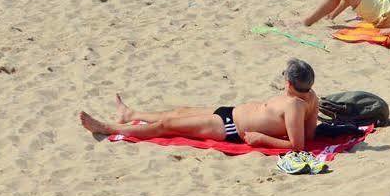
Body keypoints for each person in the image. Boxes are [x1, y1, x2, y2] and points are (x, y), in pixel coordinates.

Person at [79, 60, 320, 151]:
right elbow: (309, 133)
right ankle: (130, 114)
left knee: (166, 125)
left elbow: (299, 144)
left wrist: (262, 139)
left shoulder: (295, 106)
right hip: (230, 113)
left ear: (288, 83)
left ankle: (107, 128)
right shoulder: (310, 97)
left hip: (229, 128)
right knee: (179, 112)